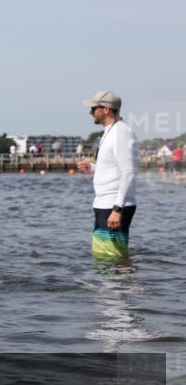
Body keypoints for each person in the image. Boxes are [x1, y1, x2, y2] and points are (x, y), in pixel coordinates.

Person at [77, 91, 138, 259]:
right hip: (104, 203)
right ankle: (110, 285)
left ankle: (121, 285)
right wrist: (93, 168)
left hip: (114, 205)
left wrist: (117, 209)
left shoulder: (121, 133)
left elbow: (128, 172)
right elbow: (114, 166)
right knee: (103, 257)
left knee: (112, 258)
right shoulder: (109, 132)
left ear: (105, 109)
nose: (90, 112)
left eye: (93, 108)